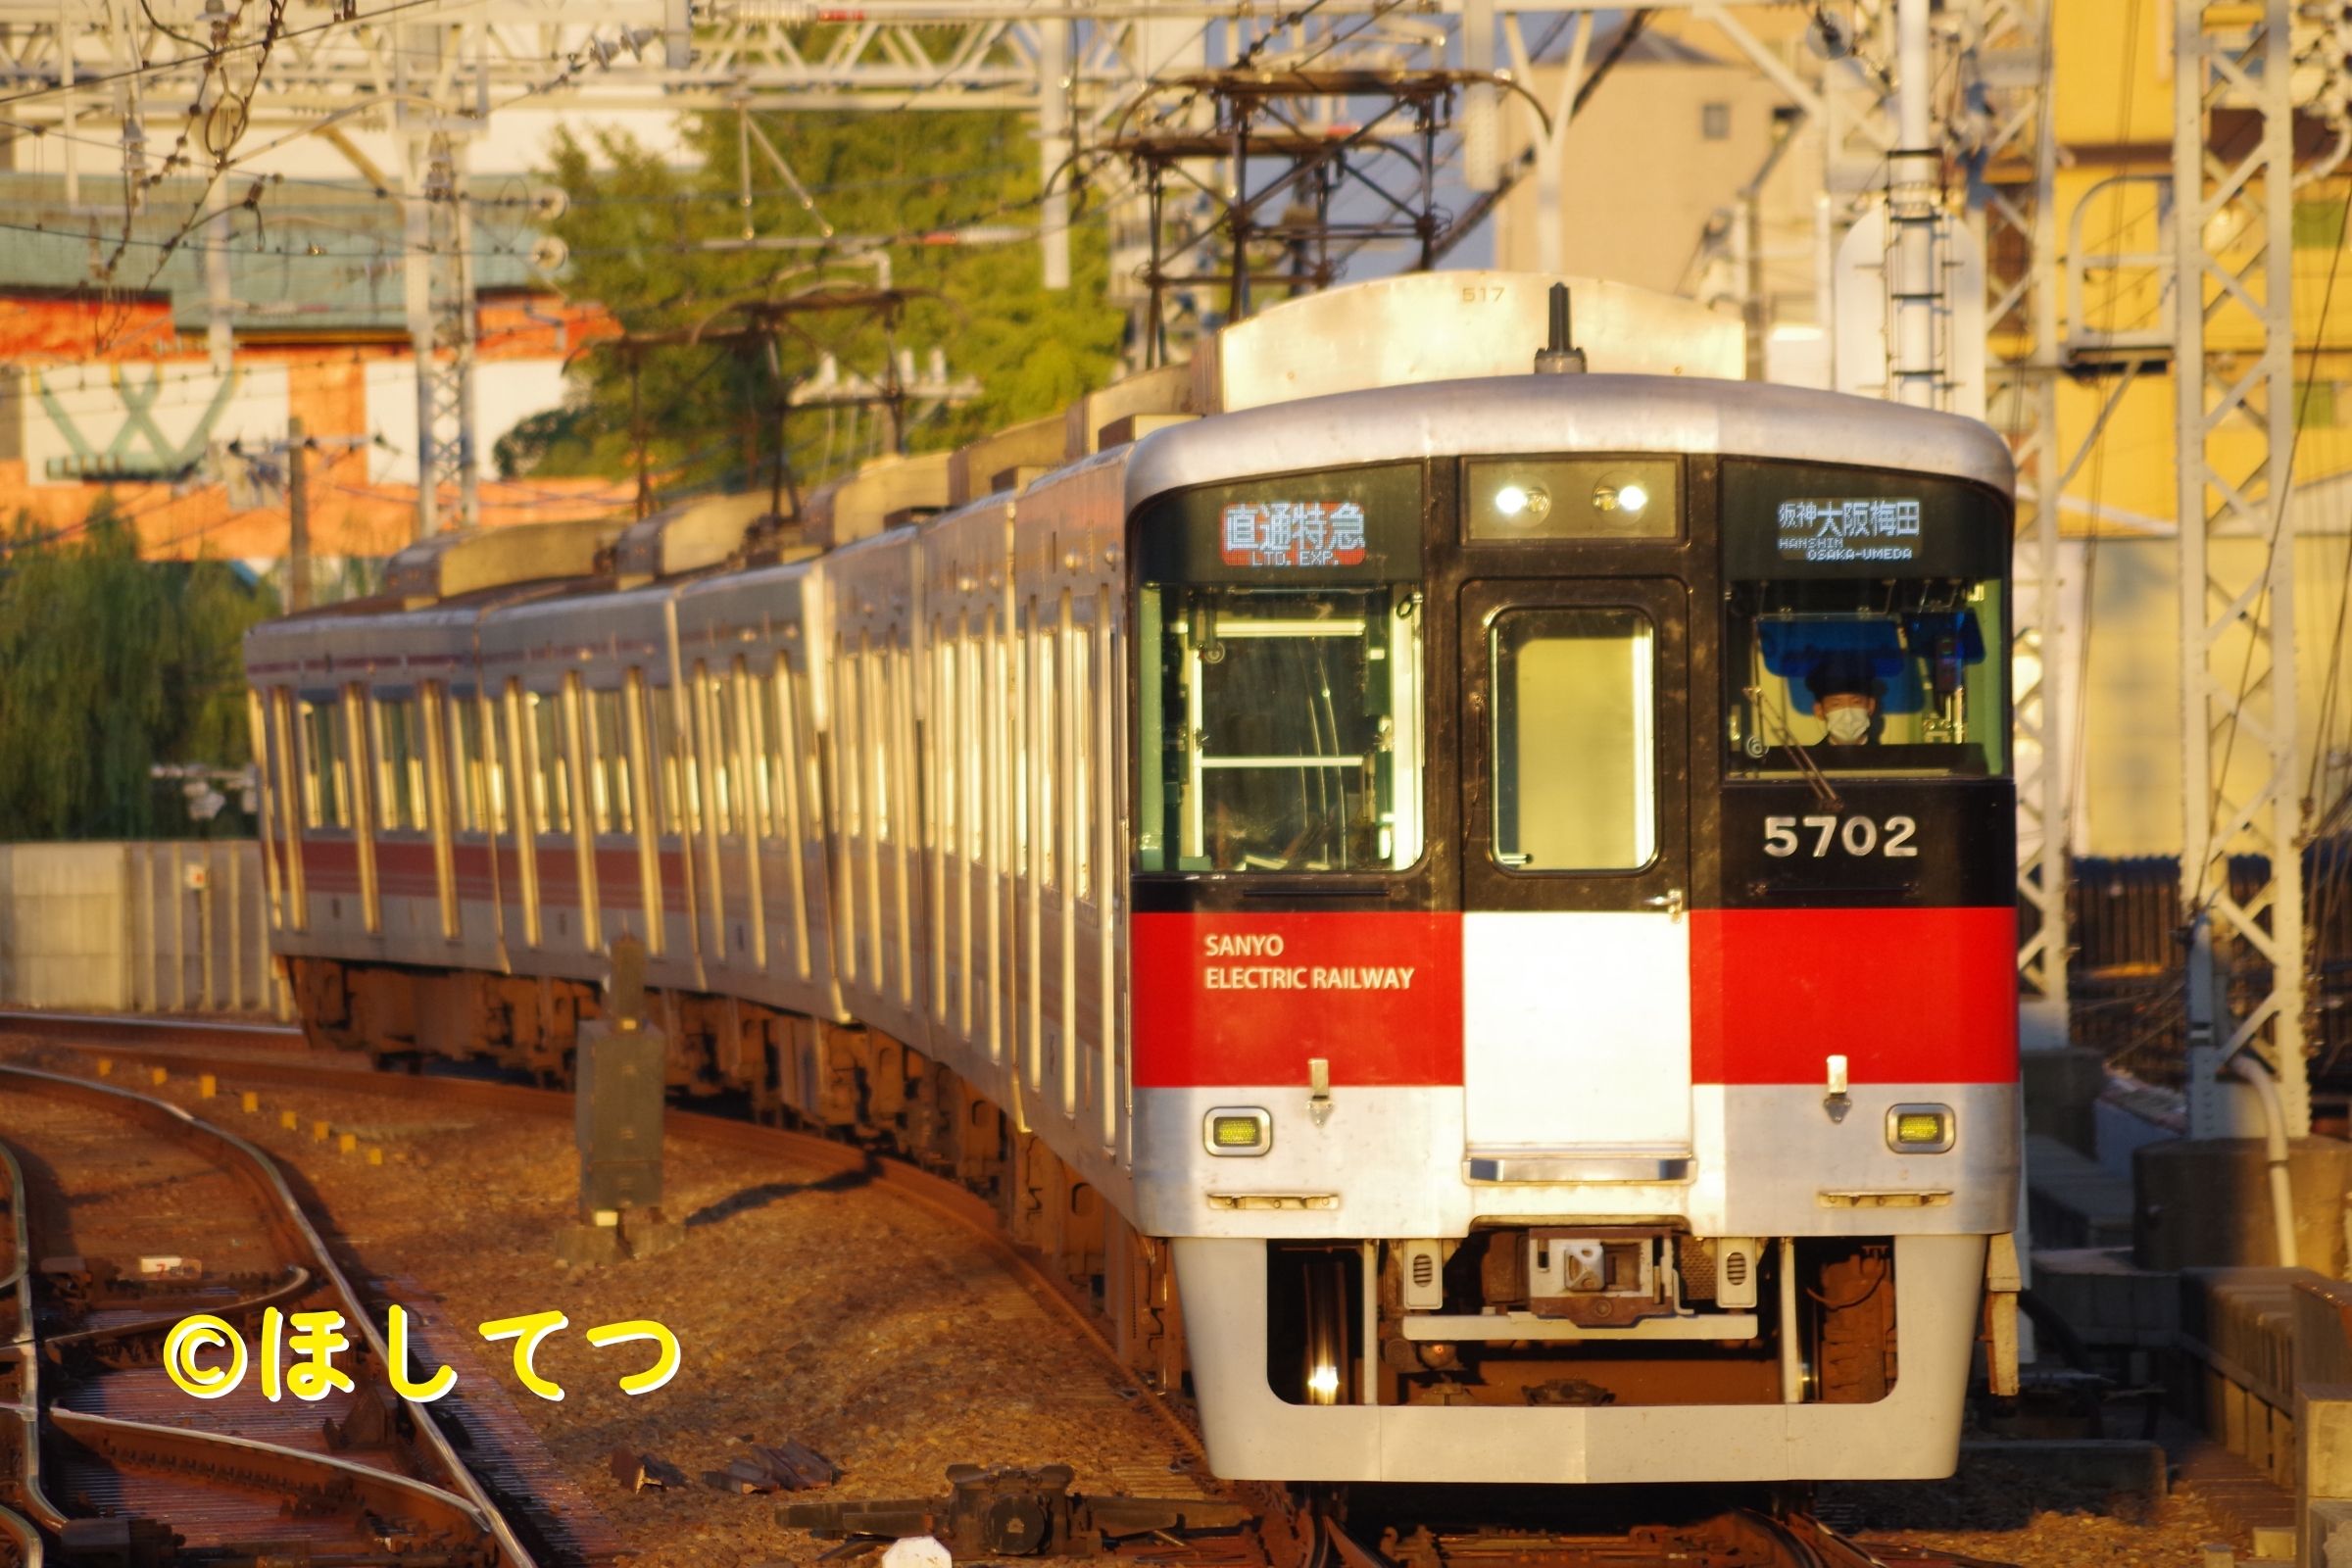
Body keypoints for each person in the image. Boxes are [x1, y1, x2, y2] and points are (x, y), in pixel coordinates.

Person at [1806, 659, 1878, 746]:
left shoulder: (1891, 757)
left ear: (1871, 705)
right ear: (1819, 710)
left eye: (1856, 702)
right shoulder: (1809, 756)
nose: (1848, 717)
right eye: (1836, 704)